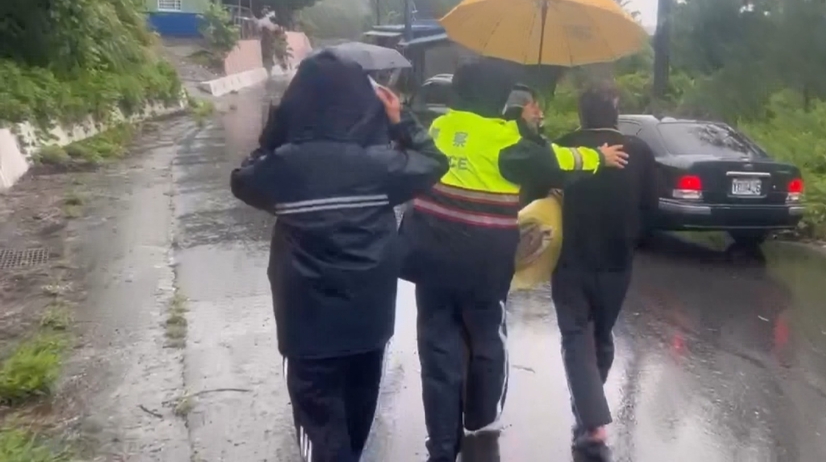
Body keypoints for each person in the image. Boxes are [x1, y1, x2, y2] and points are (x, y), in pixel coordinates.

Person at [398, 58, 629, 462]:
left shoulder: (440, 127)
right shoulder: (508, 142)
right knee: (488, 339)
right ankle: (480, 415)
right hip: (484, 266)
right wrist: (598, 157)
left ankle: (441, 447)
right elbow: (559, 162)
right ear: (501, 98)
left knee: (437, 352)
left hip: (430, 259)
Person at [230, 50, 448, 462]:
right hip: (369, 325)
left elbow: (243, 177)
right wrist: (400, 121)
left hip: (306, 330)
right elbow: (435, 162)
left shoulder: (284, 167)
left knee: (323, 435)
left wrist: (278, 130)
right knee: (354, 426)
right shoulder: (381, 166)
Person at [548, 84, 657, 460]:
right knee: (601, 334)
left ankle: (591, 419)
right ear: (616, 111)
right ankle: (589, 411)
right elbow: (651, 205)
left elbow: (537, 189)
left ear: (581, 111)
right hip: (617, 263)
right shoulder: (639, 151)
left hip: (571, 259)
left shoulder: (565, 146)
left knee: (577, 335)